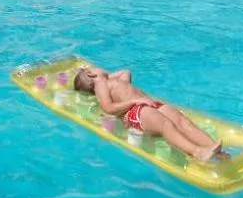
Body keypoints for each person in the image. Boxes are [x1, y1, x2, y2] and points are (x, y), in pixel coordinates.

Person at [72, 66, 228, 163]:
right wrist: (134, 101)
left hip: (148, 105)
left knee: (183, 122)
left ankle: (215, 151)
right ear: (91, 74)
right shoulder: (100, 85)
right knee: (166, 125)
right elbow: (108, 108)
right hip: (135, 111)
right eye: (93, 68)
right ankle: (198, 152)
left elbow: (126, 72)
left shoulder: (108, 81)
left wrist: (105, 76)